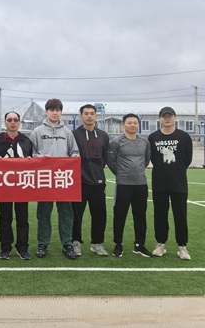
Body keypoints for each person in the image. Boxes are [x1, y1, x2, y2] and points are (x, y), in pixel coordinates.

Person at [29, 99, 80, 260]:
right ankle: (43, 244)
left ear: (61, 112)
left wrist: (75, 156)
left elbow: (74, 151)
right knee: (43, 213)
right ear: (46, 111)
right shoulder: (37, 132)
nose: (55, 112)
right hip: (44, 179)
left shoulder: (67, 132)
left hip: (63, 179)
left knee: (66, 213)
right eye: (51, 110)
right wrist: (41, 158)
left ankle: (67, 244)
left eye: (57, 110)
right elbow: (30, 153)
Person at [149, 107, 193, 260]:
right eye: (164, 116)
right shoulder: (153, 137)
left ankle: (182, 247)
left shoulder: (184, 136)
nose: (167, 119)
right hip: (159, 182)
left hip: (178, 182)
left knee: (180, 215)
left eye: (170, 116)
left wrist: (176, 170)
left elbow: (187, 159)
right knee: (160, 215)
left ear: (175, 118)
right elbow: (153, 158)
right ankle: (161, 244)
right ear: (160, 118)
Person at [108, 113, 152, 258]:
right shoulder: (116, 142)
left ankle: (139, 245)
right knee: (120, 216)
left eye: (135, 123)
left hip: (141, 184)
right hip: (123, 185)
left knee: (140, 216)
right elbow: (111, 161)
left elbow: (146, 160)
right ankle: (118, 244)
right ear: (124, 125)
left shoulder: (144, 142)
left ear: (138, 125)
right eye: (129, 123)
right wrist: (122, 174)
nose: (132, 125)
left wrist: (137, 172)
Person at [0, 111, 33, 260]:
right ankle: (5, 248)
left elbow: (34, 161)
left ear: (19, 122)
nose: (13, 122)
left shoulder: (26, 140)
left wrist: (31, 160)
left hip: (22, 185)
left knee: (22, 218)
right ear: (5, 122)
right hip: (4, 186)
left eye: (15, 120)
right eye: (9, 120)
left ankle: (23, 248)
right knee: (5, 218)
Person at [72, 104, 110, 257]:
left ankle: (97, 243)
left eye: (92, 113)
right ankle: (75, 242)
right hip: (79, 182)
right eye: (86, 113)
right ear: (81, 116)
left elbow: (105, 158)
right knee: (76, 215)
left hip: (98, 182)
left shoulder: (103, 135)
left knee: (99, 215)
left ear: (96, 116)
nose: (89, 116)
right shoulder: (74, 134)